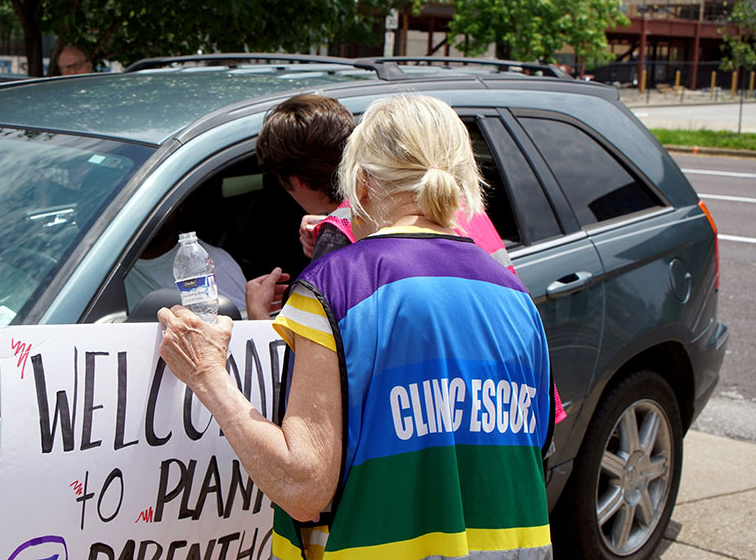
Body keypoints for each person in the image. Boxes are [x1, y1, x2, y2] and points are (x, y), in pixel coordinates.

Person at [157, 95, 553, 559]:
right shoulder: (515, 294)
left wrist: (207, 374)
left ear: (361, 185)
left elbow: (303, 487)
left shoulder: (339, 285)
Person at [124, 206, 248, 316]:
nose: (151, 215)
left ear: (179, 207)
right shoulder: (112, 262)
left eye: (160, 207)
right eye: (143, 206)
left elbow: (240, 323)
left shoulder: (213, 263)